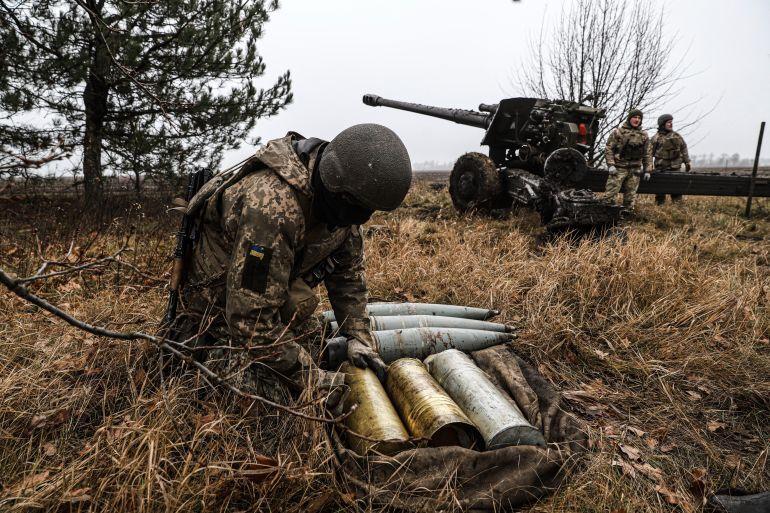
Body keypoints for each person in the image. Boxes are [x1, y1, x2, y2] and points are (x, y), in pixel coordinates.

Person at [171, 124, 412, 403]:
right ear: (340, 193)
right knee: (271, 398)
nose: (362, 219)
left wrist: (357, 336)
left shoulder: (339, 203)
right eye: (360, 210)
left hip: (262, 300)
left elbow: (348, 277)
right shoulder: (273, 208)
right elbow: (251, 321)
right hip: (217, 314)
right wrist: (312, 379)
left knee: (318, 346)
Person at [603, 108, 653, 211]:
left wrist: (648, 170)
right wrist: (611, 165)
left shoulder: (644, 135)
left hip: (635, 169)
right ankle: (606, 217)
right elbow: (609, 149)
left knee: (630, 198)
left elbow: (647, 153)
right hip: (619, 168)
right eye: (635, 117)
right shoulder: (618, 132)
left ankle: (627, 217)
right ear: (629, 118)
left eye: (639, 118)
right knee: (609, 196)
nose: (637, 120)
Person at [651, 114, 691, 204]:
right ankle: (660, 210)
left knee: (677, 191)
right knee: (660, 193)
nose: (671, 124)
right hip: (660, 169)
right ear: (662, 124)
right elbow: (649, 153)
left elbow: (684, 147)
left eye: (671, 122)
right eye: (668, 122)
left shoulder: (677, 136)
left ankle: (677, 209)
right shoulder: (656, 138)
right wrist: (649, 166)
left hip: (675, 168)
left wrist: (687, 161)